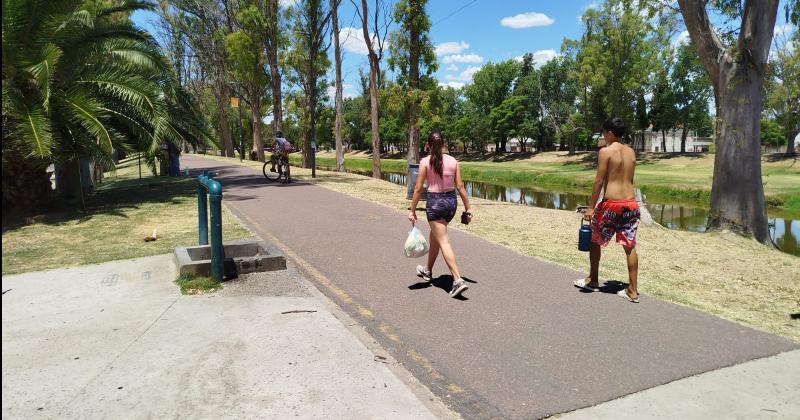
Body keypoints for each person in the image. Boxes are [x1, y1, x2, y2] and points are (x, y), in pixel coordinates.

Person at [573, 118, 641, 302]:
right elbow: (630, 179)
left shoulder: (606, 151)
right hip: (631, 204)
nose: (603, 136)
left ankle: (593, 280)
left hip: (612, 204)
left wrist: (591, 207)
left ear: (610, 132)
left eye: (604, 133)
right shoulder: (631, 152)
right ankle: (632, 291)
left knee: (595, 240)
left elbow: (599, 181)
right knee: (630, 246)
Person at [408, 132, 473, 298]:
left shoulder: (425, 162)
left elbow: (418, 188)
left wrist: (412, 210)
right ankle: (428, 270)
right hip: (451, 203)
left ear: (428, 145)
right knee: (435, 237)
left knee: (443, 241)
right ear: (443, 143)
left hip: (435, 203)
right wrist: (468, 208)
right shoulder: (453, 161)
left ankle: (457, 280)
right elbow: (460, 186)